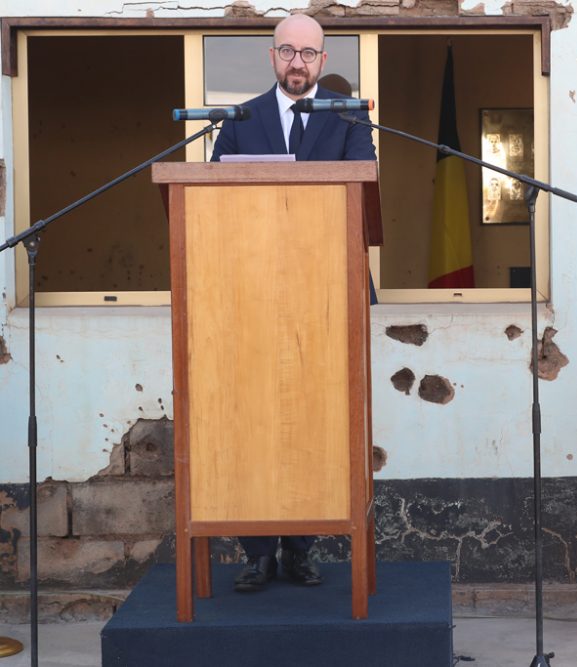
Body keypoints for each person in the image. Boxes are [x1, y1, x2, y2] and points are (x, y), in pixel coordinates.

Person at [210, 13, 376, 594]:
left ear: (323, 62)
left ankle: (302, 549)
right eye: (287, 52)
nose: (298, 63)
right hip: (250, 295)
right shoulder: (240, 118)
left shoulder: (349, 115)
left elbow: (363, 181)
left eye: (309, 53)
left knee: (319, 418)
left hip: (330, 291)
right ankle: (257, 554)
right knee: (255, 417)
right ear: (273, 58)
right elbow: (212, 205)